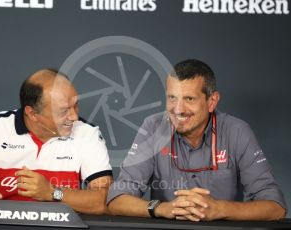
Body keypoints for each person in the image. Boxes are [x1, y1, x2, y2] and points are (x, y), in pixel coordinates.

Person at [107, 59, 287, 221]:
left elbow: (275, 207)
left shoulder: (237, 132)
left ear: (212, 101)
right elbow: (116, 200)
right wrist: (163, 208)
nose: (178, 110)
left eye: (189, 99)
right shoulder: (153, 127)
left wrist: (219, 208)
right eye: (172, 98)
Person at [0, 69, 113, 215]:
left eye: (76, 105)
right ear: (32, 113)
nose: (74, 117)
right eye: (64, 111)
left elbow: (101, 201)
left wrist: (52, 192)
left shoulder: (88, 133)